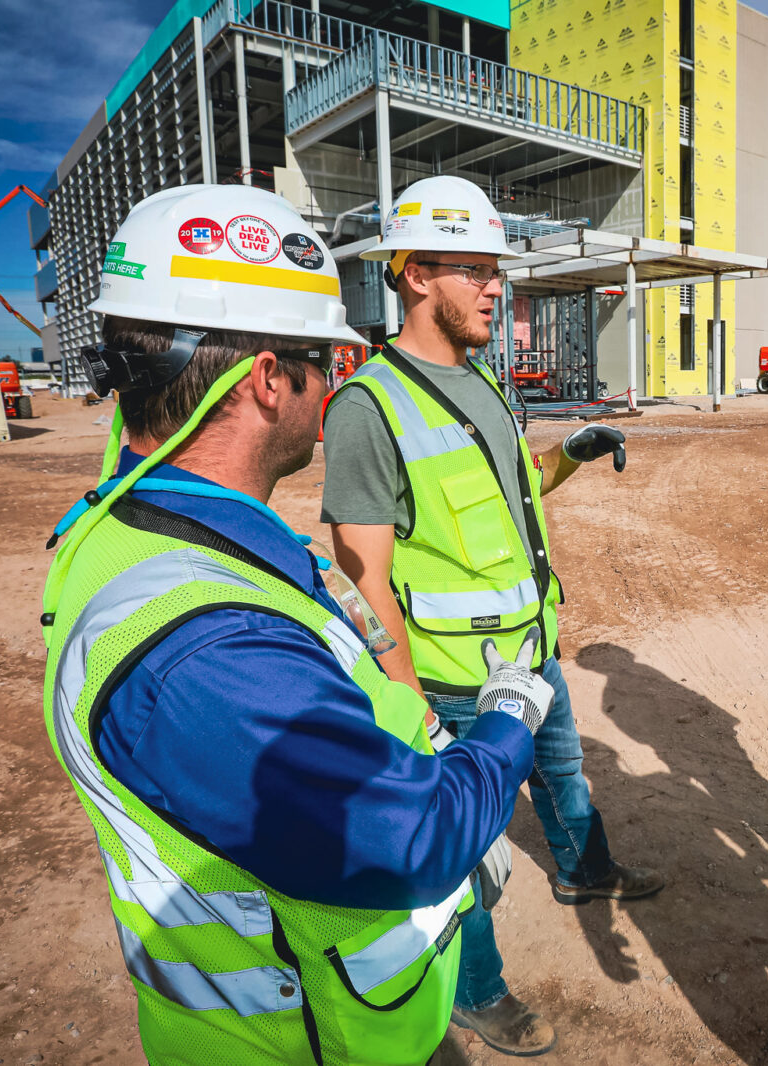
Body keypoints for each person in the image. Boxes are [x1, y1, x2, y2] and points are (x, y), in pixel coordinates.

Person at [41, 184, 557, 1065]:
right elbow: (417, 837)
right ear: (269, 379)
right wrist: (508, 716)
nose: (335, 384)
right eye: (324, 360)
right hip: (309, 1039)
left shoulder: (129, 516)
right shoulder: (207, 654)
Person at [322, 174, 663, 1057]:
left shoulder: (483, 382)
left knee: (564, 776)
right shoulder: (369, 407)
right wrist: (412, 706)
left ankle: (585, 873)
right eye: (471, 268)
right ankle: (476, 992)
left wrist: (572, 456)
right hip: (451, 682)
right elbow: (364, 581)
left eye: (492, 268)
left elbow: (515, 488)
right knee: (465, 850)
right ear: (410, 275)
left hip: (531, 652)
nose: (492, 285)